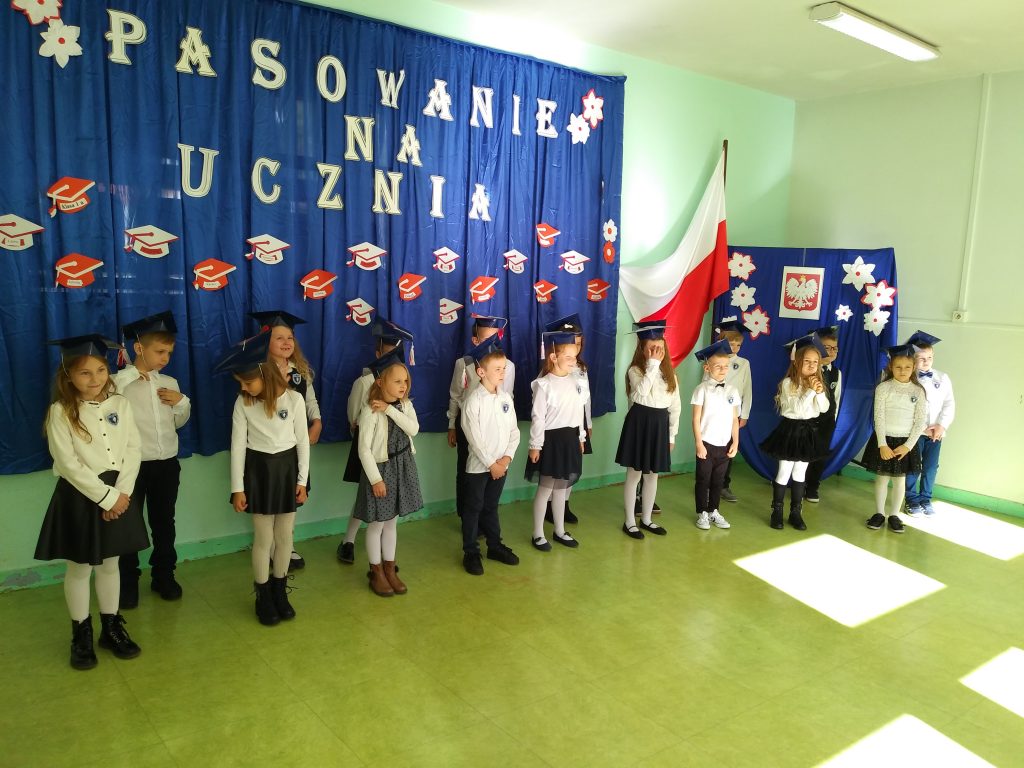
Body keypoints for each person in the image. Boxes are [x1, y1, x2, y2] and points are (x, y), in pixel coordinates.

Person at [35, 335, 148, 669]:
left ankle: (111, 628)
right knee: (80, 567)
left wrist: (122, 494)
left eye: (100, 370)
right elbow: (68, 463)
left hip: (120, 493)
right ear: (68, 376)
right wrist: (107, 497)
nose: (95, 378)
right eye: (84, 372)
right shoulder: (60, 411)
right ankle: (81, 635)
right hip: (80, 496)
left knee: (111, 564)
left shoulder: (121, 405)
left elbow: (133, 449)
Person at [217, 331, 309, 625]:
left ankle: (280, 590)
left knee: (285, 536)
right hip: (259, 472)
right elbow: (237, 447)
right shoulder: (243, 403)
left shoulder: (294, 400)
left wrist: (302, 481)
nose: (243, 388)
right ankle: (263, 594)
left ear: (263, 375)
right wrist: (238, 488)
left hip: (287, 471)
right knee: (263, 538)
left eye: (247, 382)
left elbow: (303, 443)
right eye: (240, 383)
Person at [112, 311, 190, 609]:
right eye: (159, 352)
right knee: (129, 525)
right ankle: (127, 581)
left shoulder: (169, 382)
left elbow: (178, 422)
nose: (165, 358)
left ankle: (163, 575)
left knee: (164, 522)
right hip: (131, 467)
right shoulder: (118, 383)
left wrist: (181, 402)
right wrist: (131, 376)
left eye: (169, 352)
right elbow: (107, 412)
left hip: (166, 463)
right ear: (138, 348)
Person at [337, 318, 413, 564]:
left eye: (396, 357)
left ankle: (384, 560)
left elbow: (410, 423)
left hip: (395, 450)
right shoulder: (364, 382)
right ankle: (348, 541)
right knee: (366, 498)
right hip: (369, 448)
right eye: (386, 356)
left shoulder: (400, 387)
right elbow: (353, 417)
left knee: (385, 508)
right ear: (377, 354)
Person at [251, 310, 321, 572]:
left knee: (292, 495)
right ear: (265, 341)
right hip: (268, 449)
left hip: (295, 447)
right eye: (279, 338)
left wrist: (317, 422)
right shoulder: (256, 372)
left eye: (290, 337)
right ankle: (270, 548)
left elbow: (310, 401)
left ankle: (285, 545)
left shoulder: (299, 371)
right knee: (268, 502)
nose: (286, 342)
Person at [355, 349, 423, 596]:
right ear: (380, 382)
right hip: (381, 471)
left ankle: (390, 568)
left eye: (405, 381)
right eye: (397, 381)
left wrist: (390, 409)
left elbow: (413, 429)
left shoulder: (405, 406)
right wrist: (376, 479)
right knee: (377, 524)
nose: (403, 385)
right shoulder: (370, 411)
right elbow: (364, 450)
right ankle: (376, 572)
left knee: (392, 522)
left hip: (402, 467)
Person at [459, 339, 520, 575]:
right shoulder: (473, 401)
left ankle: (494, 546)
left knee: (491, 507)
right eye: (497, 369)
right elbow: (474, 439)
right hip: (479, 467)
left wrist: (506, 460)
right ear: (481, 372)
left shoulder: (505, 398)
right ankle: (471, 552)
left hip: (501, 466)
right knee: (473, 508)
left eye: (504, 368)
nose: (502, 373)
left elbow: (514, 432)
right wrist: (491, 464)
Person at [616, 321, 680, 539]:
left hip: (659, 425)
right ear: (642, 349)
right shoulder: (635, 370)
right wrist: (652, 365)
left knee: (652, 475)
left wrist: (671, 435)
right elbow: (641, 395)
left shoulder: (670, 375)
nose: (656, 352)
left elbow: (675, 406)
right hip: (640, 423)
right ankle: (629, 521)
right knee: (634, 474)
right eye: (652, 348)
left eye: (660, 348)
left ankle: (646, 519)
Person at [448, 316, 516, 519]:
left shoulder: (507, 365)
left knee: (491, 472)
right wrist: (452, 425)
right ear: (475, 340)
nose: (492, 344)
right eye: (487, 339)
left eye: (496, 339)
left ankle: (486, 518)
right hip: (469, 425)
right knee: (466, 470)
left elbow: (508, 397)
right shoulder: (464, 363)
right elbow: (456, 395)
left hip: (494, 426)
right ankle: (467, 517)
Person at [760, 335, 829, 531]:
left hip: (807, 432)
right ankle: (777, 511)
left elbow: (824, 408)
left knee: (800, 472)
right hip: (790, 431)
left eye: (815, 362)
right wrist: (810, 392)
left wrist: (819, 393)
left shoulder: (817, 383)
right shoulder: (788, 383)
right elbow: (797, 409)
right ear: (797, 362)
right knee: (784, 471)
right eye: (807, 361)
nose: (811, 365)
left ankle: (796, 512)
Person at [527, 331, 588, 550]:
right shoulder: (544, 385)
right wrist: (535, 445)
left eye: (575, 356)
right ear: (553, 357)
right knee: (545, 489)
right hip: (551, 442)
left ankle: (560, 531)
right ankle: (538, 533)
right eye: (568, 357)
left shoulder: (577, 381)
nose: (574, 361)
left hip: (570, 439)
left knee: (561, 489)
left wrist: (581, 436)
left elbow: (579, 411)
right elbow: (538, 417)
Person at [862, 343, 927, 533]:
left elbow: (920, 421)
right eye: (898, 366)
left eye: (907, 367)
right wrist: (882, 444)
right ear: (891, 367)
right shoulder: (883, 388)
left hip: (905, 443)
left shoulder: (918, 391)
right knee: (882, 478)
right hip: (885, 440)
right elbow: (878, 416)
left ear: (913, 367)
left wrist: (908, 446)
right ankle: (879, 513)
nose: (903, 370)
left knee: (900, 481)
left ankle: (894, 515)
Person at [543, 314, 591, 526]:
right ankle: (550, 506)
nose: (576, 349)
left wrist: (588, 423)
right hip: (557, 426)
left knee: (571, 466)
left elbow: (585, 400)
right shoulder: (551, 371)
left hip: (577, 423)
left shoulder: (581, 368)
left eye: (579, 344)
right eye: (572, 344)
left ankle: (565, 503)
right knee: (555, 470)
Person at [904, 331, 954, 516]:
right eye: (921, 358)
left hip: (935, 433)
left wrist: (941, 425)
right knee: (913, 467)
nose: (926, 362)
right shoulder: (908, 379)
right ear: (913, 358)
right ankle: (911, 499)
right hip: (915, 432)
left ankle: (926, 498)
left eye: (930, 358)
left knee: (931, 467)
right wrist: (919, 427)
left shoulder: (942, 378)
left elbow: (949, 403)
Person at [691, 339, 740, 531]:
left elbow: (734, 419)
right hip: (706, 442)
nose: (722, 369)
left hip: (724, 443)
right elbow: (696, 419)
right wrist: (699, 443)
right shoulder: (701, 390)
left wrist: (735, 442)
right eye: (718, 366)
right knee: (703, 479)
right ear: (707, 368)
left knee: (718, 481)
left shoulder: (732, 390)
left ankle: (714, 510)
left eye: (726, 366)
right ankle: (702, 512)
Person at [714, 318, 752, 503]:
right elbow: (705, 384)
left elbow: (747, 390)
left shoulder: (743, 363)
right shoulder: (713, 359)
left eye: (738, 344)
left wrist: (744, 414)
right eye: (731, 343)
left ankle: (723, 485)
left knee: (728, 449)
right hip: (714, 412)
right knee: (711, 448)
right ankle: (708, 483)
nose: (735, 347)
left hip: (732, 414)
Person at [804, 326, 843, 504]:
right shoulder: (809, 369)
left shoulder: (837, 373)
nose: (831, 352)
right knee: (803, 452)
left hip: (826, 421)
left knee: (820, 454)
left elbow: (836, 397)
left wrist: (832, 419)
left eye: (835, 348)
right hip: (807, 419)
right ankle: (798, 483)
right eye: (827, 347)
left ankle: (813, 487)